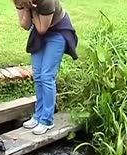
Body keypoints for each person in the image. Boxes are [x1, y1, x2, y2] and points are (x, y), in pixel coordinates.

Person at [13, 0, 78, 135]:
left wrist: (34, 10)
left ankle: (47, 120)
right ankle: (38, 115)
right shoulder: (19, 1)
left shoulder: (46, 1)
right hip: (39, 30)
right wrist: (26, 9)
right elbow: (25, 25)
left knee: (47, 76)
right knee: (37, 75)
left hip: (57, 32)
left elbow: (42, 29)